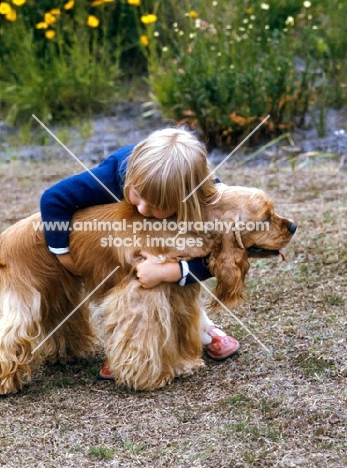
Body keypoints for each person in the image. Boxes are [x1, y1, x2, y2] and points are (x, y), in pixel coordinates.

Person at [40, 127, 240, 379]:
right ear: (132, 175)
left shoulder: (207, 194)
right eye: (138, 194)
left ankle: (202, 326)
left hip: (169, 247)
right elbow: (53, 199)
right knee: (126, 281)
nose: (144, 208)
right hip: (118, 242)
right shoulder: (114, 172)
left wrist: (170, 271)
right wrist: (63, 255)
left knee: (183, 270)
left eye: (160, 206)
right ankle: (126, 346)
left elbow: (215, 256)